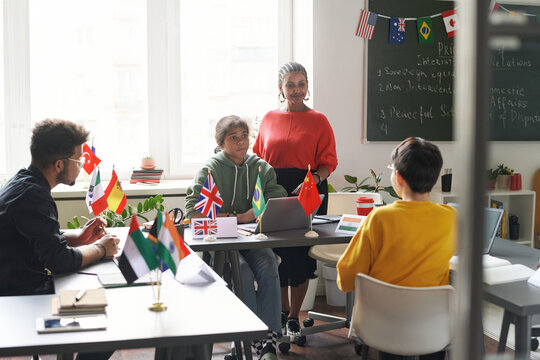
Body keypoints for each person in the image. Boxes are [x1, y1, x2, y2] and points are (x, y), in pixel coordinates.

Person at [0, 119, 119, 360]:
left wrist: (77, 237)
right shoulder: (34, 195)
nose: (82, 165)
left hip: (17, 283)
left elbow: (34, 235)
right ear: (58, 164)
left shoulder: (24, 181)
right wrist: (100, 249)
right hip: (19, 297)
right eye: (78, 160)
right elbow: (60, 261)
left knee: (96, 292)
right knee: (113, 321)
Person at [336, 137, 456, 360]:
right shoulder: (450, 218)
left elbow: (346, 277)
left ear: (398, 177)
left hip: (384, 327)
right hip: (433, 328)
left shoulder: (379, 218)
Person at [185, 115, 287, 360]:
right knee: (243, 273)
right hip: (220, 241)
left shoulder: (260, 167)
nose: (242, 142)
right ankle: (248, 338)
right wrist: (235, 217)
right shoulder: (210, 169)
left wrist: (257, 212)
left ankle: (269, 340)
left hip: (252, 238)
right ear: (221, 143)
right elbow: (192, 211)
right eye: (233, 138)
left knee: (269, 265)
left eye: (244, 136)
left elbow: (278, 198)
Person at [253, 61, 338, 336]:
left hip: (308, 190)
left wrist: (312, 180)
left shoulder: (319, 120)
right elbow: (257, 158)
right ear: (281, 88)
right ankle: (279, 310)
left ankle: (293, 316)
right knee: (277, 253)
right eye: (290, 84)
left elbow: (328, 162)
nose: (296, 90)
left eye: (301, 84)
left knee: (300, 256)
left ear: (307, 86)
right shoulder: (268, 118)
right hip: (274, 190)